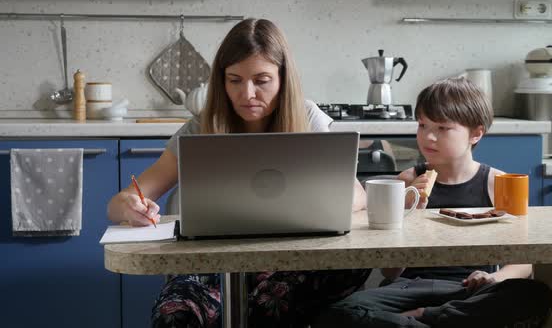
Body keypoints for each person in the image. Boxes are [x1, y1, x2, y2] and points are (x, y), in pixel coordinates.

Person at [107, 18, 371, 328]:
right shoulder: (201, 127)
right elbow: (120, 202)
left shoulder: (307, 116)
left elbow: (355, 195)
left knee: (351, 266)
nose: (247, 93)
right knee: (176, 315)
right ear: (221, 80)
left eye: (261, 80)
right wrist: (130, 205)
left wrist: (319, 202)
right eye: (234, 80)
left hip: (287, 262)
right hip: (206, 265)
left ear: (283, 78)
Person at [312, 78, 552, 328]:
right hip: (410, 286)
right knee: (341, 312)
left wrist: (494, 277)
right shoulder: (407, 181)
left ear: (476, 133)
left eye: (442, 128)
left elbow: (525, 260)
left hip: (471, 289)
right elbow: (390, 272)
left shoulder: (498, 182)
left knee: (534, 295)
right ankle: (439, 319)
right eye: (422, 125)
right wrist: (406, 211)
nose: (428, 137)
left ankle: (425, 317)